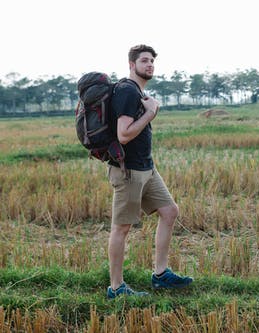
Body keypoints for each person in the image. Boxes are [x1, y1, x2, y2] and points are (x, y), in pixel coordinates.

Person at [106, 44, 193, 299]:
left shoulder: (138, 93)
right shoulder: (126, 91)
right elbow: (123, 135)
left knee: (169, 211)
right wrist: (151, 112)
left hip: (147, 167)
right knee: (121, 228)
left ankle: (161, 274)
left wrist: (149, 109)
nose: (150, 64)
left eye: (152, 61)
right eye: (144, 61)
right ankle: (116, 288)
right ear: (131, 64)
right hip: (128, 170)